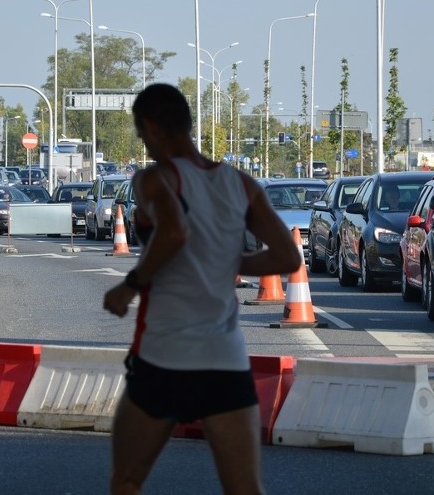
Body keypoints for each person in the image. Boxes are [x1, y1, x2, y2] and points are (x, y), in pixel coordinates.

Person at [103, 83, 301, 494]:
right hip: (224, 361)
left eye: (142, 136)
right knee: (245, 489)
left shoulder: (155, 180)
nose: (145, 146)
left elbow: (174, 231)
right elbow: (287, 257)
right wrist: (231, 261)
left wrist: (130, 285)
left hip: (163, 355)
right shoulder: (241, 184)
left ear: (152, 127)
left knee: (127, 481)